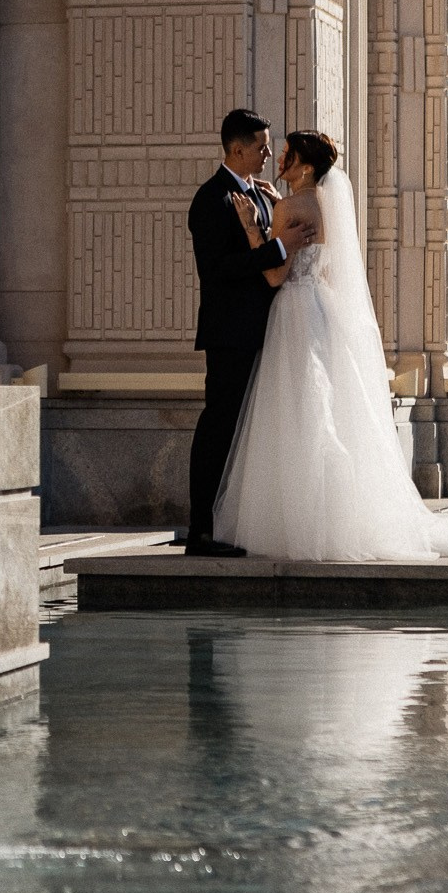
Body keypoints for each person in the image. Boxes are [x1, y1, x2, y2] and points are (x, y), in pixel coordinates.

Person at [213, 131, 448, 562]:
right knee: (329, 410)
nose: (280, 159)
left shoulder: (288, 207)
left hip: (293, 313)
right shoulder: (328, 204)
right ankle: (340, 517)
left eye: (288, 154)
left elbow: (274, 276)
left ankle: (304, 522)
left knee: (298, 412)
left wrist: (254, 227)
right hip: (322, 312)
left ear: (305, 166)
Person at [184, 109, 291, 557]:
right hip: (230, 333)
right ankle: (201, 532)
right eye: (262, 146)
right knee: (220, 429)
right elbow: (216, 270)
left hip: (265, 332)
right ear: (237, 148)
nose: (268, 153)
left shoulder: (260, 196)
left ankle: (234, 524)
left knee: (250, 432)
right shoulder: (211, 199)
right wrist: (279, 250)